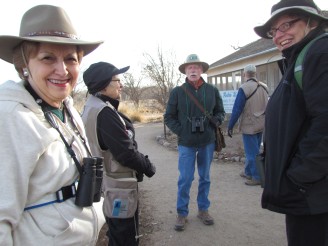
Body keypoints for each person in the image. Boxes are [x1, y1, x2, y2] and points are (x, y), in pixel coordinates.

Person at [0, 4, 106, 245]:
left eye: (71, 59)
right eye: (48, 58)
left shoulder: (65, 106)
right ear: (24, 64)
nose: (63, 70)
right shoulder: (10, 117)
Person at [254, 0, 328, 245]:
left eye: (286, 25)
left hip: (314, 196)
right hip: (309, 194)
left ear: (312, 22)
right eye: (274, 31)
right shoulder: (299, 58)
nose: (278, 36)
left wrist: (299, 176)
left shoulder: (320, 53)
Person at [81, 61, 156, 246]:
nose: (121, 85)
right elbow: (126, 153)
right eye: (117, 80)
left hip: (108, 184)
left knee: (117, 233)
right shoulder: (104, 112)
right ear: (104, 84)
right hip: (117, 186)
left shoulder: (91, 106)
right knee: (125, 237)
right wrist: (147, 166)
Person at [164, 54, 225, 231]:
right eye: (190, 67)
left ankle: (203, 210)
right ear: (185, 71)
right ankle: (182, 213)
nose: (193, 70)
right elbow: (169, 116)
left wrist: (216, 122)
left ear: (201, 71)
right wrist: (182, 130)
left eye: (196, 67)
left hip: (207, 141)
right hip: (186, 142)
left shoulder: (212, 90)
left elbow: (220, 111)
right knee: (185, 178)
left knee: (205, 177)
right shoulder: (177, 92)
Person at [227, 64, 269, 186]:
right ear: (255, 74)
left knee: (252, 153)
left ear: (245, 74)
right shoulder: (264, 87)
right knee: (255, 149)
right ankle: (248, 171)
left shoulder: (244, 88)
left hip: (249, 125)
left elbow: (237, 109)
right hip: (262, 123)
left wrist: (230, 126)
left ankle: (257, 177)